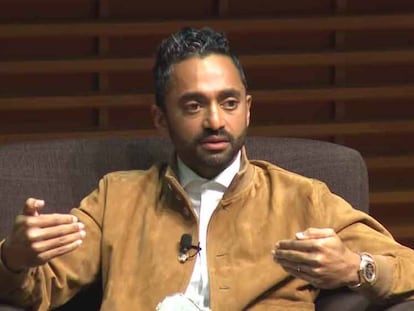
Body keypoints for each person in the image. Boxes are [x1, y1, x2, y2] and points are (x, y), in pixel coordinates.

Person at [0, 27, 413, 311]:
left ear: (247, 110)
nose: (215, 120)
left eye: (229, 102)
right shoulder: (116, 198)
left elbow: (407, 267)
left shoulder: (302, 198)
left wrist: (357, 268)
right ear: (161, 119)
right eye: (194, 105)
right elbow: (41, 289)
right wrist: (13, 258)